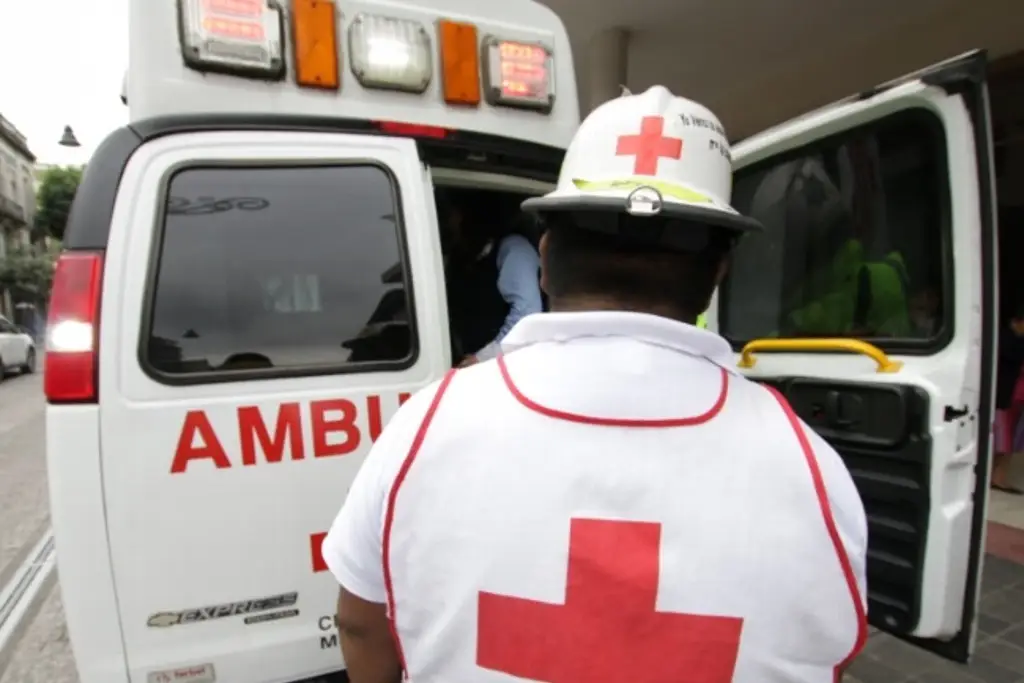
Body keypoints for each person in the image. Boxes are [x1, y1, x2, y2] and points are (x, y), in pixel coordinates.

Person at [320, 85, 868, 683]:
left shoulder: (425, 426)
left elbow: (360, 624)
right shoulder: (810, 467)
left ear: (547, 255)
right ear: (718, 272)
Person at [441, 192, 544, 367]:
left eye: (451, 214)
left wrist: (482, 358)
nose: (448, 221)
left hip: (505, 369)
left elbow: (527, 315)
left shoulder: (514, 249)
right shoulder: (461, 258)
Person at [993, 304, 1024, 493]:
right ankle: (998, 476)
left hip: (1009, 396)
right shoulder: (1009, 340)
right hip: (1007, 396)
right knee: (1005, 438)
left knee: (1006, 438)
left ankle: (996, 475)